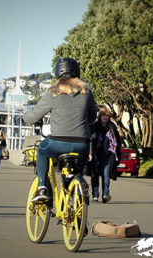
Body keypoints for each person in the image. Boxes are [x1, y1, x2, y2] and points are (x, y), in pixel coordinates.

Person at [23, 57, 97, 202]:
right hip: (82, 144)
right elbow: (93, 117)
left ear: (58, 73)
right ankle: (76, 186)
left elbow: (33, 116)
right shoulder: (86, 91)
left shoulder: (53, 92)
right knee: (76, 172)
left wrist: (24, 118)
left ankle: (42, 187)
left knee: (42, 150)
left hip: (58, 143)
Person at [90, 107, 121, 203]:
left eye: (107, 116)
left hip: (108, 155)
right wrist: (92, 136)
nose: (105, 117)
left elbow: (117, 140)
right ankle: (95, 195)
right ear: (100, 116)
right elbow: (88, 138)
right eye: (103, 115)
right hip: (96, 155)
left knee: (106, 175)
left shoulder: (112, 126)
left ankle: (105, 194)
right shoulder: (94, 126)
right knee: (94, 175)